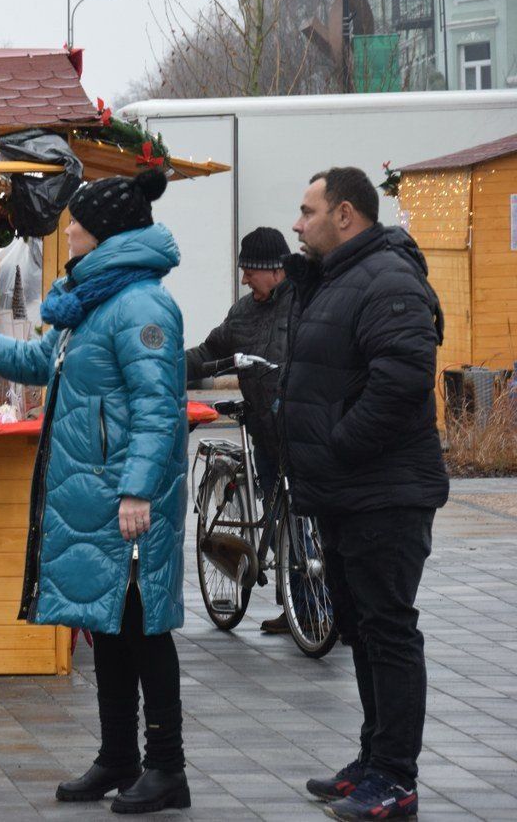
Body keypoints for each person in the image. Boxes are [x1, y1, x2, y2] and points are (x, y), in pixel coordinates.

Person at [0, 168, 190, 814]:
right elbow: (42, 363)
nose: (68, 228)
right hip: (95, 491)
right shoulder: (93, 298)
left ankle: (167, 766)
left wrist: (138, 489)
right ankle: (119, 755)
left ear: (105, 230)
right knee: (108, 625)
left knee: (144, 627)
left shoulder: (141, 304)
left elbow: (158, 407)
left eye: (78, 220)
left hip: (124, 494)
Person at [281, 168, 447, 821]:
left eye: (307, 210)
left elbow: (404, 376)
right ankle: (372, 760)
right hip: (349, 493)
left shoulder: (387, 279)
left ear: (345, 214)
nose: (298, 223)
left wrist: (341, 444)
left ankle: (396, 779)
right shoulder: (340, 277)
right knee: (363, 629)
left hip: (384, 493)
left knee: (389, 631)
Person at [184, 227, 294, 634]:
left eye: (249, 269)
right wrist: (164, 367)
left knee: (307, 518)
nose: (244, 278)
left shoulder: (303, 306)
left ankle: (312, 606)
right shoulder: (243, 312)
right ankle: (298, 609)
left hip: (302, 431)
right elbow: (210, 351)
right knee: (278, 516)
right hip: (265, 434)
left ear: (273, 270)